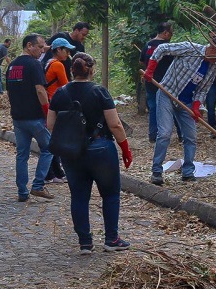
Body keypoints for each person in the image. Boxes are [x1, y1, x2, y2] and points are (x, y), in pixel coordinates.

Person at [47, 52, 133, 253]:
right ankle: (111, 239)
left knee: (78, 196)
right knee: (110, 194)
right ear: (92, 70)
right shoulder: (100, 92)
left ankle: (85, 242)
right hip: (101, 149)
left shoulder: (60, 93)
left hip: (72, 152)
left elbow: (50, 124)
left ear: (71, 71)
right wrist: (125, 148)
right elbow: (115, 124)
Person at [143, 37, 216, 185]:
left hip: (186, 102)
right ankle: (156, 171)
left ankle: (187, 172)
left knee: (191, 136)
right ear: (213, 49)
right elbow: (161, 49)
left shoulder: (214, 67)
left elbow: (202, 89)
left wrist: (196, 106)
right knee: (165, 133)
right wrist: (150, 69)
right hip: (167, 93)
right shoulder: (190, 48)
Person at [7, 34, 54, 201]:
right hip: (35, 117)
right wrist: (47, 112)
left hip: (18, 117)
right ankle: (38, 185)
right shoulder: (34, 64)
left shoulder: (12, 66)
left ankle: (22, 191)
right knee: (49, 149)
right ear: (29, 46)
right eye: (40, 47)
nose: (42, 51)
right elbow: (40, 90)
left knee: (22, 154)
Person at [43, 37, 75, 183]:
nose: (68, 53)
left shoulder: (48, 62)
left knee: (53, 138)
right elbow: (65, 85)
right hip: (55, 103)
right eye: (66, 50)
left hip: (49, 102)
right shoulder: (58, 65)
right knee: (55, 139)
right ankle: (51, 172)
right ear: (58, 50)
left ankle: (56, 171)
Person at [139, 22, 175, 143]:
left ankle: (153, 135)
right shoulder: (167, 46)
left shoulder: (147, 45)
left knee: (153, 108)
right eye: (170, 32)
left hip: (150, 81)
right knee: (172, 107)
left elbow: (142, 62)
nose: (171, 35)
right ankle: (179, 135)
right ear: (165, 33)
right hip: (165, 82)